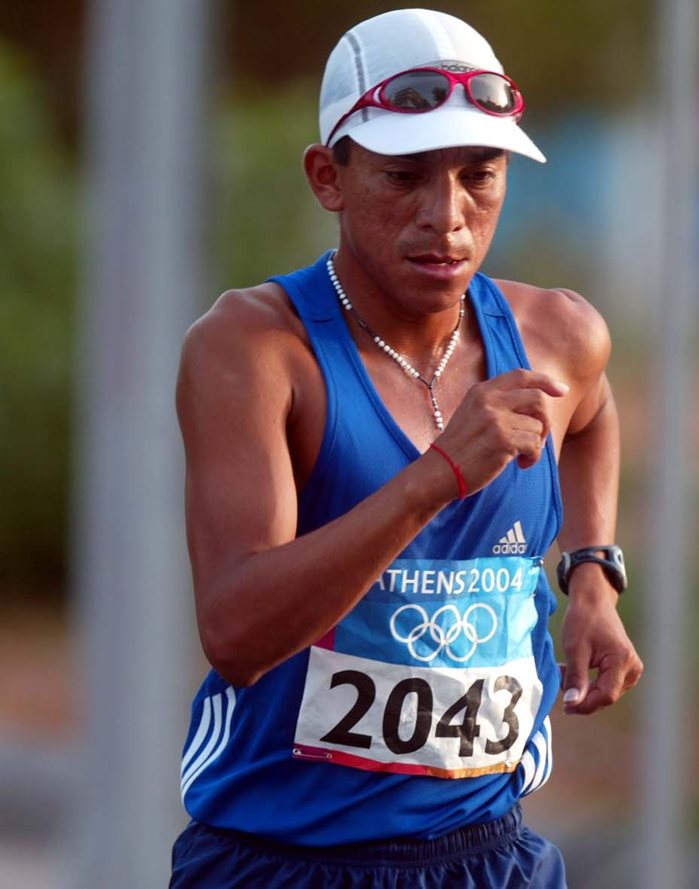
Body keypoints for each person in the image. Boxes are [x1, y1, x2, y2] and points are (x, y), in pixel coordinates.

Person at [169, 9, 642, 887]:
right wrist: (437, 477)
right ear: (329, 176)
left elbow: (593, 415)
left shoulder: (557, 335)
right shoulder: (256, 351)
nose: (448, 217)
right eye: (404, 177)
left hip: (489, 853)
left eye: (479, 175)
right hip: (285, 860)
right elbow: (235, 632)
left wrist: (592, 573)